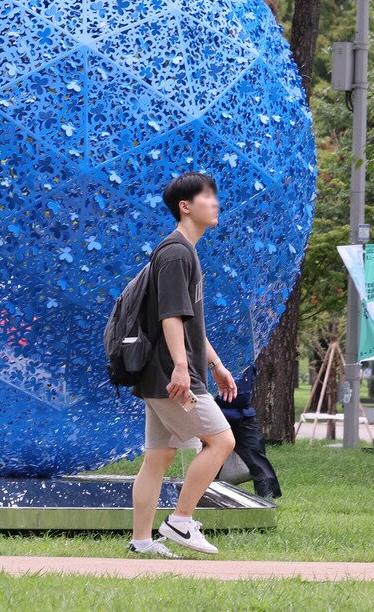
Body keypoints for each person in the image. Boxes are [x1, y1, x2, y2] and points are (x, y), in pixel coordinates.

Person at [128, 172, 238, 559]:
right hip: (171, 375)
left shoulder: (181, 250)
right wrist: (181, 369)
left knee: (159, 456)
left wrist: (216, 364)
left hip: (162, 372)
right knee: (222, 440)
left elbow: (188, 319)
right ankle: (181, 520)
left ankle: (141, 541)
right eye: (207, 197)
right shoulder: (177, 252)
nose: (215, 203)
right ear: (185, 206)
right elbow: (171, 317)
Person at [213, 364, 281, 499]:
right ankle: (203, 495)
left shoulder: (246, 354)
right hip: (215, 414)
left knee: (256, 455)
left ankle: (268, 499)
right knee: (212, 458)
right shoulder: (213, 353)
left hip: (243, 416)